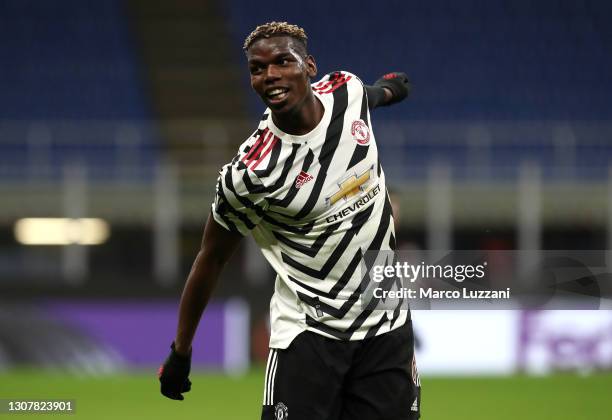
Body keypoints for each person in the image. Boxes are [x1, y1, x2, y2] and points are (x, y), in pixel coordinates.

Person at [158, 21, 420, 419]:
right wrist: (181, 351)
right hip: (309, 338)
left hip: (386, 327)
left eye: (283, 61)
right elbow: (210, 258)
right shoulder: (251, 175)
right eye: (257, 69)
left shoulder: (345, 92)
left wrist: (390, 89)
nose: (270, 76)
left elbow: (368, 96)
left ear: (309, 66)